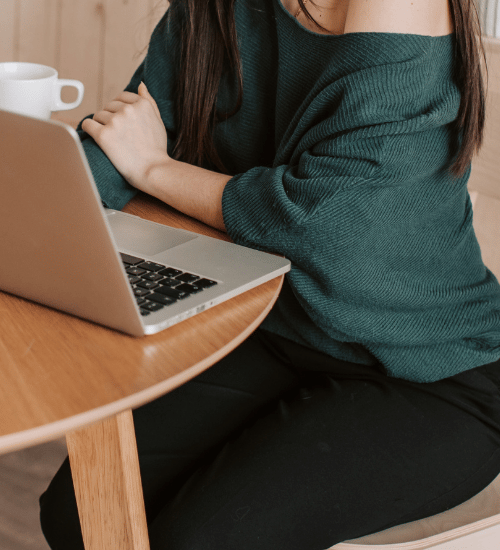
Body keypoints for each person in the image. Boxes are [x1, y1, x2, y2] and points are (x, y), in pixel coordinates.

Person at [40, 0, 500, 549]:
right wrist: (40, 215)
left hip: (427, 367)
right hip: (273, 328)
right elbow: (127, 139)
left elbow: (333, 227)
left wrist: (158, 170)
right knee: (80, 514)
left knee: (197, 541)